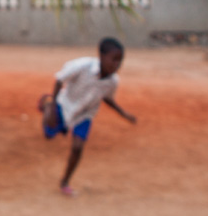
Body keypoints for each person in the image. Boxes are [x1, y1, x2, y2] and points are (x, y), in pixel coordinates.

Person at [39, 37, 136, 196]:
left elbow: (107, 98)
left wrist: (124, 114)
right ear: (101, 56)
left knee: (77, 148)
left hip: (85, 114)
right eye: (114, 59)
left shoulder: (113, 81)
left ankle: (65, 182)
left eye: (120, 60)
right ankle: (46, 105)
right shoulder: (81, 66)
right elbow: (59, 80)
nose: (117, 64)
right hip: (65, 105)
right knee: (48, 134)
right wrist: (53, 105)